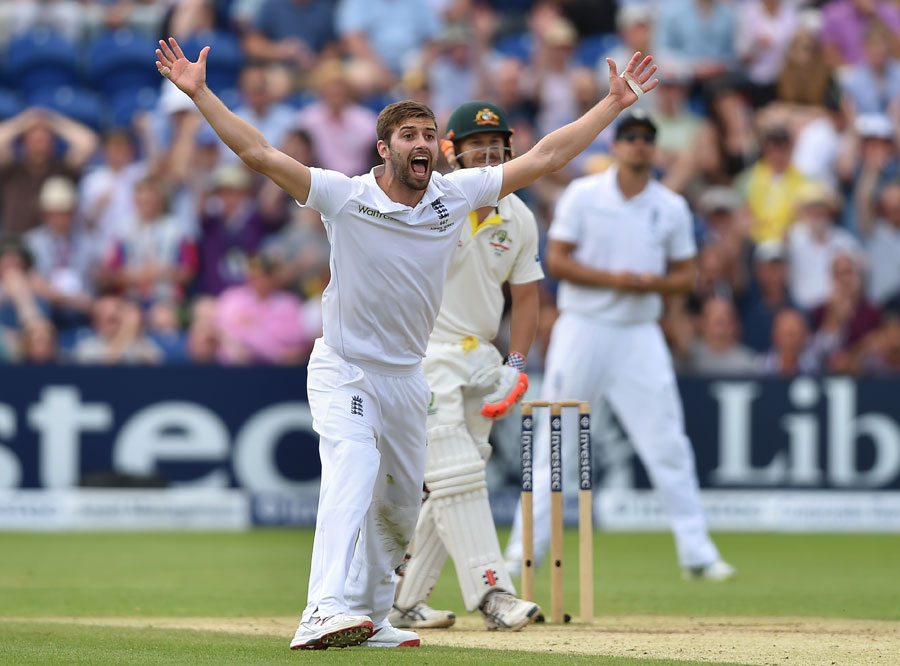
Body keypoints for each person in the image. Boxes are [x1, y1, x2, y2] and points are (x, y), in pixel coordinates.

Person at [154, 36, 658, 650]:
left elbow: (547, 156)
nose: (421, 144)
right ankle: (322, 609)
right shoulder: (345, 196)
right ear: (384, 148)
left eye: (427, 134)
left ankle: (370, 616)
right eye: (409, 136)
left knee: (396, 508)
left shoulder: (455, 195)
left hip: (406, 378)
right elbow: (259, 152)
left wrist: (612, 105)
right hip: (345, 368)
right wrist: (202, 94)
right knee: (355, 467)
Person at [504, 110, 736, 582]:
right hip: (583, 328)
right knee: (556, 442)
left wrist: (649, 284)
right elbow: (559, 261)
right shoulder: (583, 196)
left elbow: (686, 275)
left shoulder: (670, 206)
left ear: (654, 147)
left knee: (667, 440)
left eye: (646, 138)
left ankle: (697, 552)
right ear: (616, 145)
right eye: (630, 137)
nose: (638, 145)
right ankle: (522, 551)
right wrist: (618, 280)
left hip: (639, 333)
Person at [389, 101, 543, 632]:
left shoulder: (518, 215)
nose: (486, 151)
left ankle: (401, 601)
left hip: (481, 356)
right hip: (424, 352)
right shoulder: (428, 201)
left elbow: (526, 299)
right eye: (475, 144)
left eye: (495, 143)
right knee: (454, 471)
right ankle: (494, 595)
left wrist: (516, 364)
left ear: (509, 149)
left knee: (458, 478)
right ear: (450, 150)